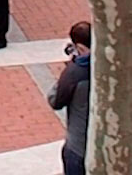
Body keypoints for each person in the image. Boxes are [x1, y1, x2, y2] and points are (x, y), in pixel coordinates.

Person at [50, 21, 93, 175]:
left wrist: (69, 69)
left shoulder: (75, 73)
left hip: (78, 146)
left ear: (80, 48)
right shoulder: (108, 66)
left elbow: (55, 100)